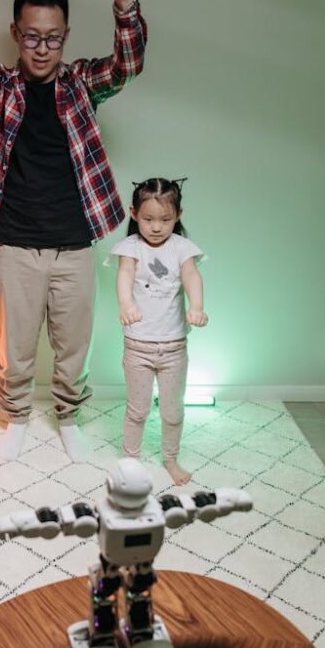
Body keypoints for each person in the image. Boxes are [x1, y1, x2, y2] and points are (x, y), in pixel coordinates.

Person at [0, 0, 147, 461]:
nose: (42, 48)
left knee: (73, 348)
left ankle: (68, 416)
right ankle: (15, 416)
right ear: (16, 34)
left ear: (65, 36)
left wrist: (123, 0)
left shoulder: (81, 83)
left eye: (53, 38)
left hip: (74, 244)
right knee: (14, 350)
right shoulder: (1, 88)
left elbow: (127, 67)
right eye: (32, 37)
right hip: (15, 242)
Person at [111, 178, 208, 486]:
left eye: (165, 219)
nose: (156, 227)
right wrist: (126, 304)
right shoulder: (130, 248)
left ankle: (170, 458)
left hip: (174, 348)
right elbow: (125, 275)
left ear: (178, 214)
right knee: (137, 410)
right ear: (134, 214)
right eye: (148, 219)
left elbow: (192, 275)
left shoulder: (183, 248)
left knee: (172, 410)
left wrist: (197, 306)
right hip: (138, 346)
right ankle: (130, 459)